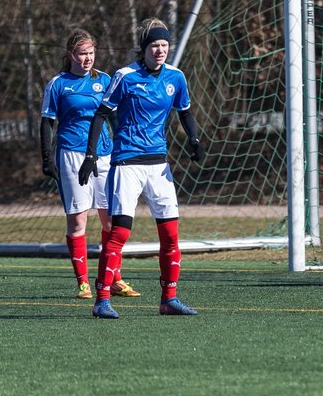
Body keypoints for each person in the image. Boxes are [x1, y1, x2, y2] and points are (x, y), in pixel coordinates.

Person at [78, 18, 206, 318]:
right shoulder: (125, 76)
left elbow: (185, 112)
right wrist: (91, 154)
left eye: (164, 45)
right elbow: (101, 115)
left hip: (158, 164)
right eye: (154, 45)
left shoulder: (176, 77)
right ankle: (102, 300)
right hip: (127, 164)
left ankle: (169, 299)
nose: (160, 50)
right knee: (119, 233)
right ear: (144, 48)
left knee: (171, 235)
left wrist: (195, 139)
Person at [39, 29, 139, 300]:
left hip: (104, 155)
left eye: (91, 53)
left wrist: (123, 150)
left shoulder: (105, 80)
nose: (88, 58)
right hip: (71, 155)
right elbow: (47, 123)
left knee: (112, 220)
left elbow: (115, 119)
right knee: (78, 219)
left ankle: (113, 278)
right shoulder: (58, 84)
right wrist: (47, 157)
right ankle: (83, 282)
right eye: (83, 53)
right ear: (71, 55)